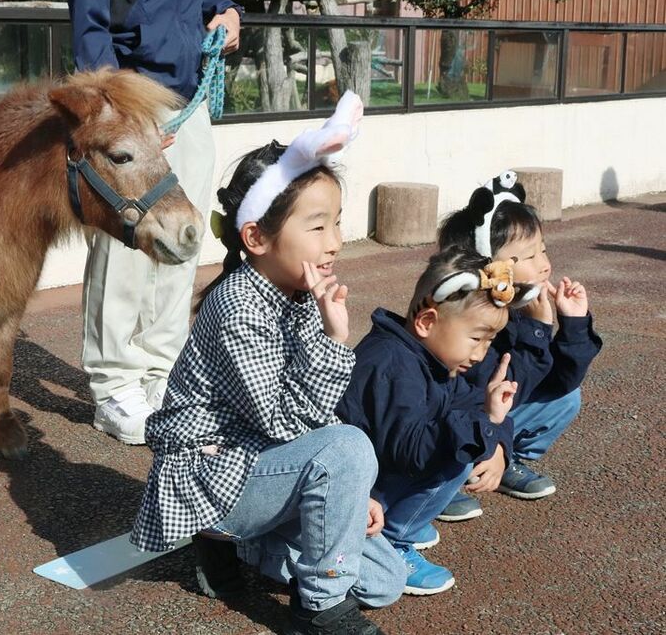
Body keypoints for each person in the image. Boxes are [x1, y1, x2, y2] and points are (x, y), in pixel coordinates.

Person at [131, 95, 406, 635]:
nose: (334, 243)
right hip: (213, 476)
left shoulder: (298, 291)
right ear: (256, 236)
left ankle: (254, 550)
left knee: (385, 580)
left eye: (337, 224)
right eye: (318, 226)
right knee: (348, 446)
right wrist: (335, 338)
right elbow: (285, 422)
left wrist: (355, 495)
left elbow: (306, 421)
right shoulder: (238, 305)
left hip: (263, 470)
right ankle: (319, 609)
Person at [63, 0, 243, 443]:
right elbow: (89, 24)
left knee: (182, 240)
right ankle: (114, 386)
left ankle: (161, 373)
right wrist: (117, 112)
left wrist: (223, 11)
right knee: (123, 246)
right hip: (133, 101)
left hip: (188, 100)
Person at [336, 246, 527, 596]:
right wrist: (484, 422)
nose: (482, 353)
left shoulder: (429, 358)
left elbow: (469, 402)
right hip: (355, 490)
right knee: (458, 454)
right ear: (427, 322)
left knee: (472, 438)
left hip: (381, 473)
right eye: (475, 338)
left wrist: (497, 439)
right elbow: (411, 451)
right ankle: (394, 538)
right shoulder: (393, 365)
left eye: (489, 340)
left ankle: (399, 521)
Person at [435, 171, 602, 521]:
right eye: (528, 257)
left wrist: (572, 324)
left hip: (489, 415)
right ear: (486, 264)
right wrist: (539, 330)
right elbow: (490, 388)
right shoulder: (468, 313)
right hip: (451, 421)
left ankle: (506, 459)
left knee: (566, 397)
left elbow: (558, 380)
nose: (545, 264)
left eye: (543, 250)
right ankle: (439, 482)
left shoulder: (522, 303)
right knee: (474, 410)